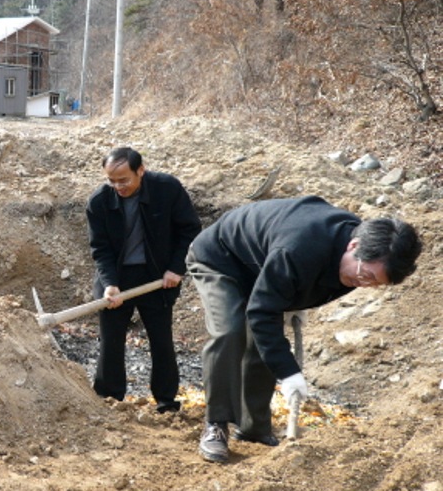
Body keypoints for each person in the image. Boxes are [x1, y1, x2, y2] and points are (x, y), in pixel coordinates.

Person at [186, 196, 422, 463]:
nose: (364, 284)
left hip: (266, 266)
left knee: (263, 344)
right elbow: (262, 311)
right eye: (366, 276)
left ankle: (254, 428)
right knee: (230, 331)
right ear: (353, 246)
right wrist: (289, 374)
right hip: (221, 259)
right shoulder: (300, 248)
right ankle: (216, 424)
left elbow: (272, 307)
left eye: (376, 283)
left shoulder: (356, 259)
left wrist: (294, 299)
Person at [86, 147, 201, 412]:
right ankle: (110, 399)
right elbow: (100, 249)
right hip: (116, 278)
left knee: (161, 339)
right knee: (111, 341)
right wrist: (110, 283)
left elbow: (190, 230)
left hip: (158, 277)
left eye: (124, 180)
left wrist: (176, 268)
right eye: (112, 181)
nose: (118, 187)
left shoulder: (167, 189)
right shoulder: (99, 202)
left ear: (141, 170)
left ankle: (166, 400)